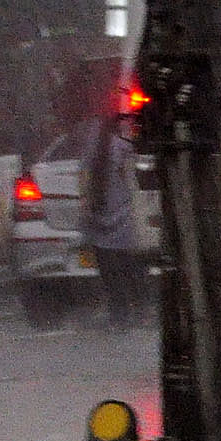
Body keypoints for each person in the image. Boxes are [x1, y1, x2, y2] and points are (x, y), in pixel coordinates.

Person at [70, 71, 147, 326]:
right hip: (102, 209)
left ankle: (130, 308)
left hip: (123, 210)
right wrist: (85, 199)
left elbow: (136, 167)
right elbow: (86, 169)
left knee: (124, 263)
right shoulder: (97, 133)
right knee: (109, 265)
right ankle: (120, 310)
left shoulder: (128, 132)